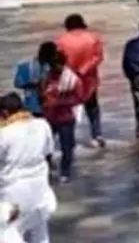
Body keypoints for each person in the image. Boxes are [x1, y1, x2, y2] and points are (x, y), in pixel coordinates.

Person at [0, 93, 57, 243]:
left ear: (4, 113)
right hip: (41, 190)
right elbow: (48, 155)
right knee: (40, 232)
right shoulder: (42, 125)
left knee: (9, 232)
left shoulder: (4, 134)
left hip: (13, 195)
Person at [56, 13, 106, 148]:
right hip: (89, 79)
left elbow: (57, 61)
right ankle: (97, 135)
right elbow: (98, 57)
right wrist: (83, 70)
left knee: (69, 109)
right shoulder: (93, 38)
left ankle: (69, 138)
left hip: (69, 79)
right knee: (93, 108)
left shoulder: (61, 41)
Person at [39, 52, 83, 183]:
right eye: (51, 65)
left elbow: (79, 98)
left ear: (62, 64)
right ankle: (47, 170)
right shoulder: (46, 77)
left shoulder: (72, 79)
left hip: (66, 118)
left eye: (56, 65)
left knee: (66, 147)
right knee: (45, 147)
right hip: (49, 117)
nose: (54, 68)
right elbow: (41, 94)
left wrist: (59, 103)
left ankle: (65, 173)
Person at [12, 43, 56, 116]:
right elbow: (17, 83)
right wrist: (32, 84)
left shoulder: (52, 66)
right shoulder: (26, 65)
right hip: (33, 105)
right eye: (53, 56)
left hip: (49, 105)